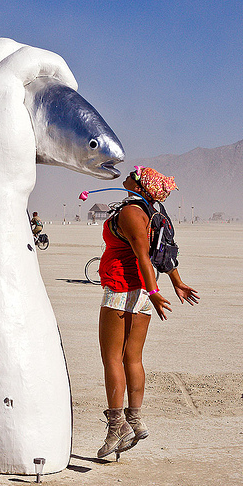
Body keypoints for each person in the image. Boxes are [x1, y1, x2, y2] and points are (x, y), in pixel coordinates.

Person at [97, 165, 199, 459]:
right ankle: (135, 420)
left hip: (122, 288)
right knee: (132, 357)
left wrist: (155, 293)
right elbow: (164, 251)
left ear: (140, 186)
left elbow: (144, 256)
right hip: (141, 292)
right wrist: (176, 283)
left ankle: (117, 425)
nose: (127, 176)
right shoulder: (152, 213)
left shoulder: (131, 213)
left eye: (133, 174)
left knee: (112, 358)